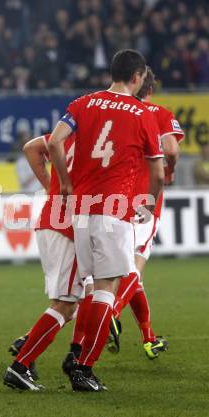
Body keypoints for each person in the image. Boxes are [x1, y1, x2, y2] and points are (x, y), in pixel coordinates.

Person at [48, 49, 164, 391]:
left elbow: (55, 142)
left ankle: (78, 355)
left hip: (82, 209)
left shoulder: (84, 103)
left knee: (90, 287)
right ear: (138, 77)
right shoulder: (144, 113)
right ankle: (84, 366)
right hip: (115, 211)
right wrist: (151, 202)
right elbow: (157, 170)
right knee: (106, 290)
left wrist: (66, 184)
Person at [2, 133, 92, 391]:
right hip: (68, 227)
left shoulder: (69, 132)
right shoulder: (97, 138)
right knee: (67, 303)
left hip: (51, 221)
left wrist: (52, 185)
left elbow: (31, 147)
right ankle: (21, 365)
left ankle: (27, 345)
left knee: (71, 302)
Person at [107, 67, 184, 358]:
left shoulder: (118, 112)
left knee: (127, 268)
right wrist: (170, 169)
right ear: (149, 90)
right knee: (135, 265)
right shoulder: (158, 113)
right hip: (145, 198)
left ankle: (149, 338)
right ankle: (111, 314)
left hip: (114, 196)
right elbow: (172, 148)